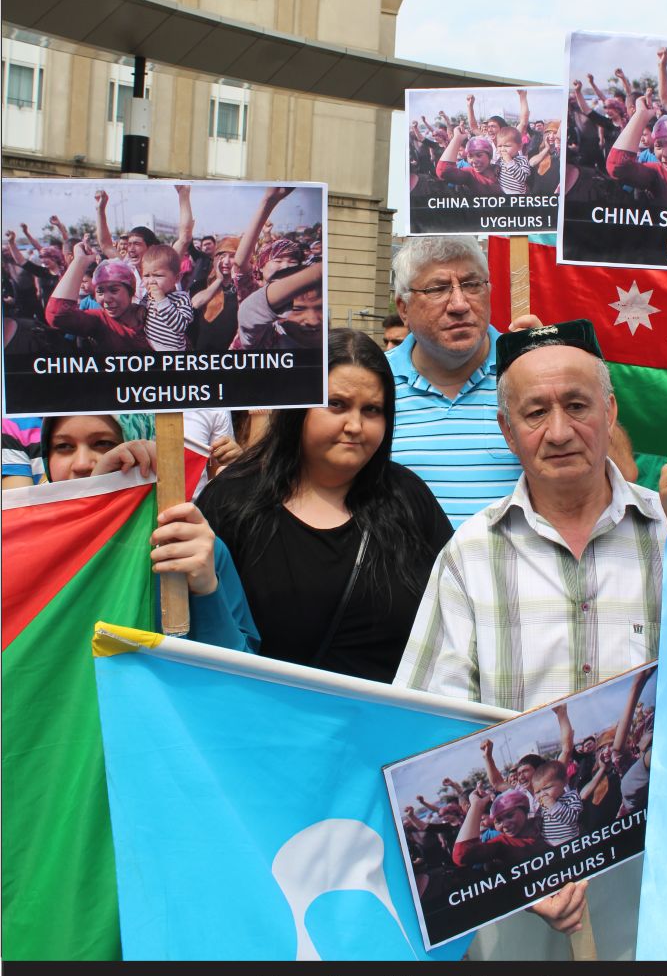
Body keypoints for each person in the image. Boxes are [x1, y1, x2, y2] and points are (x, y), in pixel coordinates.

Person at [396, 319, 667, 709]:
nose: (559, 433)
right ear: (508, 431)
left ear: (609, 413)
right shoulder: (472, 554)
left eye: (576, 406)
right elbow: (430, 718)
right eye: (536, 412)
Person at [198, 329, 453, 682]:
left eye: (372, 410)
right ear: (299, 406)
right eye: (337, 404)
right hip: (263, 711)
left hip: (391, 716)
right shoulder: (233, 500)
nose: (355, 426)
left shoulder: (408, 497)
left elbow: (454, 612)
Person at [38, 411, 258, 652]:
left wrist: (206, 590)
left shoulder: (194, 547)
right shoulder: (26, 547)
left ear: (141, 447)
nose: (82, 464)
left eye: (103, 443)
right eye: (63, 446)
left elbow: (241, 662)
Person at [386, 236, 522, 527]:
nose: (459, 304)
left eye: (472, 285)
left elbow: (614, 474)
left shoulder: (528, 371)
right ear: (403, 309)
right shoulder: (373, 384)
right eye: (437, 289)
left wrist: (563, 379)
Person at [141, 244, 194, 351]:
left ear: (177, 278)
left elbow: (180, 326)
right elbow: (141, 311)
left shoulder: (182, 299)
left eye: (158, 275)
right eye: (146, 275)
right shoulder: (149, 295)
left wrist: (162, 301)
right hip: (149, 345)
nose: (151, 281)